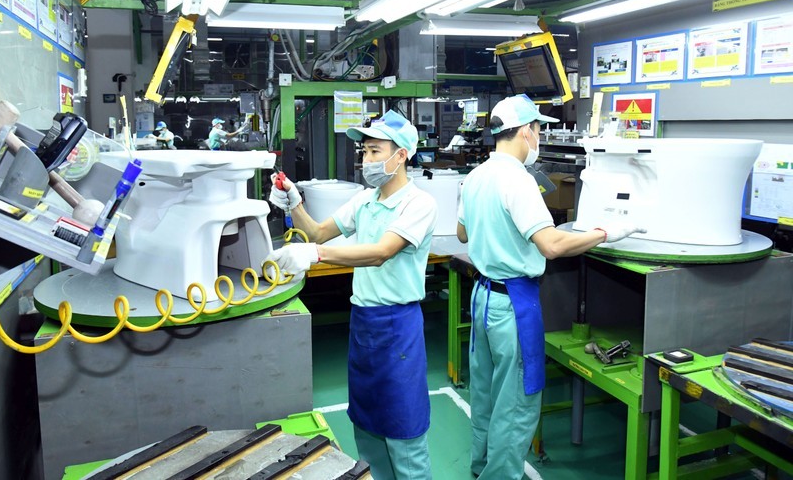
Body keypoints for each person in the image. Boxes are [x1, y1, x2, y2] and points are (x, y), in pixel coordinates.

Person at [456, 94, 645, 480]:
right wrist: (605, 232)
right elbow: (553, 246)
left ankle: (480, 469)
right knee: (517, 403)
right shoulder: (517, 181)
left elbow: (462, 233)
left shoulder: (476, 176)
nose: (539, 137)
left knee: (487, 396)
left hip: (482, 297)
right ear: (526, 132)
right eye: (539, 130)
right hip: (514, 304)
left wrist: (499, 232)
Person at [267, 110, 437, 480]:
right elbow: (319, 233)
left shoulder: (418, 204)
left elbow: (381, 252)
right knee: (367, 425)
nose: (367, 159)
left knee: (404, 431)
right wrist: (293, 201)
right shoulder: (366, 199)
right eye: (365, 151)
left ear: (402, 154)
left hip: (397, 327)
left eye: (376, 151)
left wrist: (314, 256)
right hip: (363, 324)